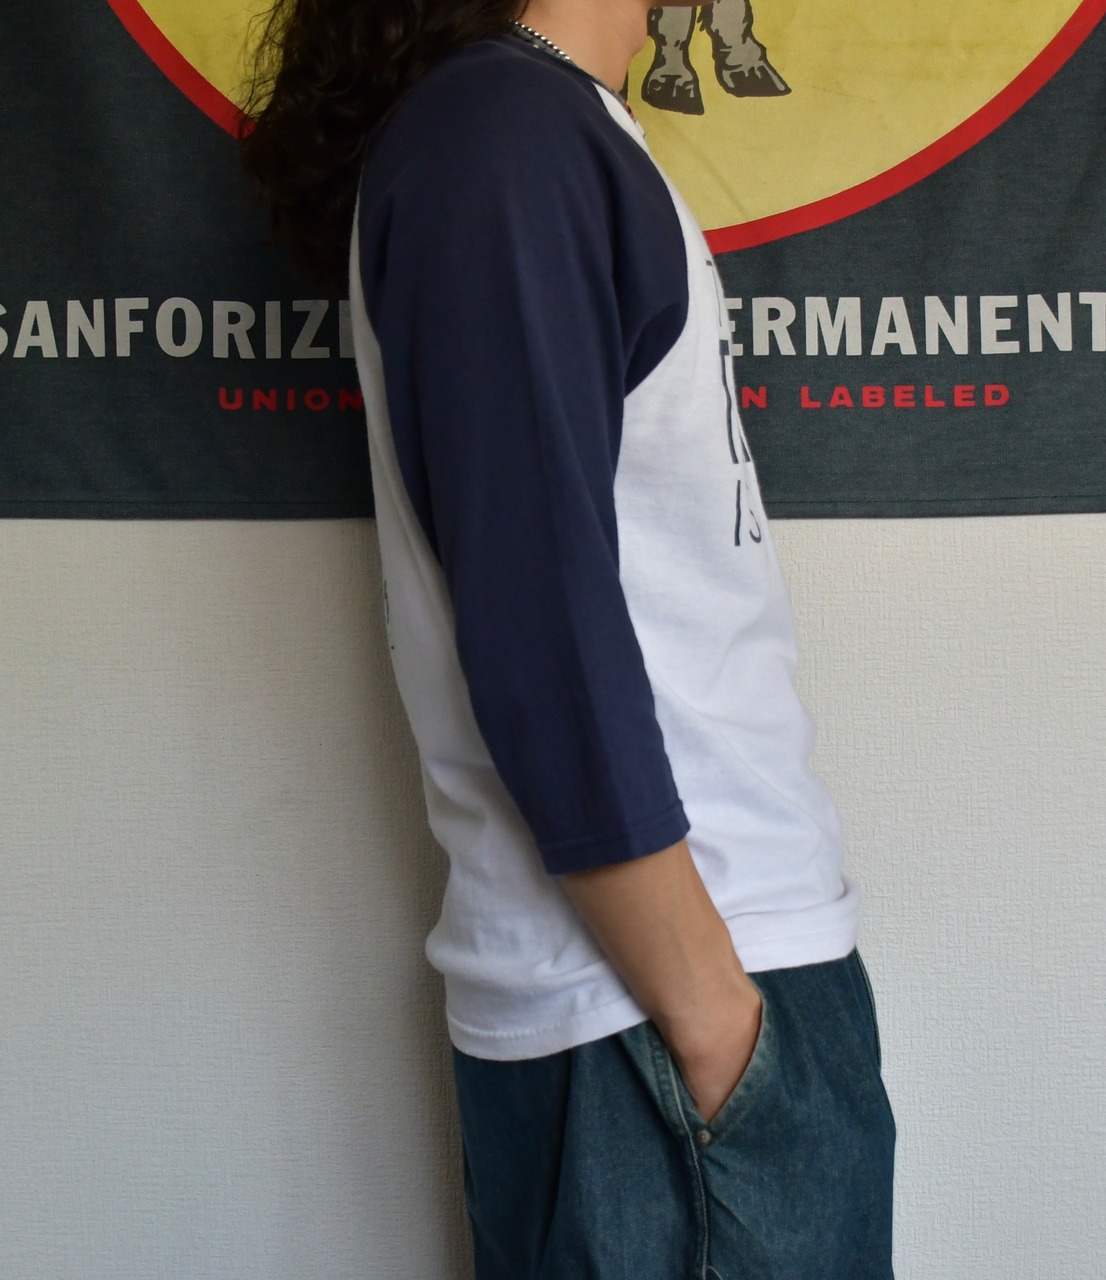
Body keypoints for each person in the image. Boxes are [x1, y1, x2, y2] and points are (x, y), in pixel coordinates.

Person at [241, 1, 894, 1274]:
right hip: (656, 1016)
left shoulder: (533, 127)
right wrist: (713, 1021)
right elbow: (536, 625)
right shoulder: (503, 135)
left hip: (670, 1007)